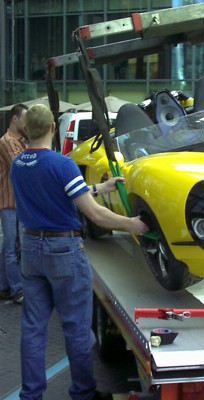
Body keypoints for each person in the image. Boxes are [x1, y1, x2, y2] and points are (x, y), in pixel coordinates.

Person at [10, 104, 148, 400]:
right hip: (64, 251)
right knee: (75, 328)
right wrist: (131, 224)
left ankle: (31, 395)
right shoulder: (62, 164)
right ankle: (83, 392)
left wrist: (101, 187)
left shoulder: (18, 164)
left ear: (25, 130)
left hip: (32, 250)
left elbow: (64, 193)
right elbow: (95, 215)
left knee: (33, 328)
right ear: (52, 129)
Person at [0, 103, 28, 304]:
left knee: (10, 246)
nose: (27, 123)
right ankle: (16, 289)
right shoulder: (7, 141)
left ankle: (3, 286)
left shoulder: (20, 141)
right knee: (12, 247)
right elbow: (22, 165)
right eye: (24, 119)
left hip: (16, 202)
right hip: (9, 201)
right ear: (14, 119)